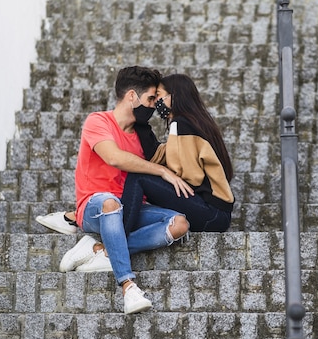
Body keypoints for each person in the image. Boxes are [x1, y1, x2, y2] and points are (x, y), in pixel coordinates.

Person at [58, 65, 193, 314]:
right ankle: (128, 286)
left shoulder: (143, 137)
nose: (154, 105)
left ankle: (100, 249)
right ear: (132, 96)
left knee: (179, 224)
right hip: (95, 207)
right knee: (110, 202)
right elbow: (114, 157)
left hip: (130, 210)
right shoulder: (98, 121)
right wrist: (162, 171)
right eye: (151, 98)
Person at [37, 73, 235, 234]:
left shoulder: (181, 125)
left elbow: (189, 175)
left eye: (159, 98)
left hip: (210, 213)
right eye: (152, 98)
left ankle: (110, 244)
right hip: (215, 213)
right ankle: (81, 222)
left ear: (174, 97)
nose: (155, 104)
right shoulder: (193, 123)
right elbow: (163, 155)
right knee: (149, 186)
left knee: (139, 177)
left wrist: (164, 175)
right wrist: (142, 128)